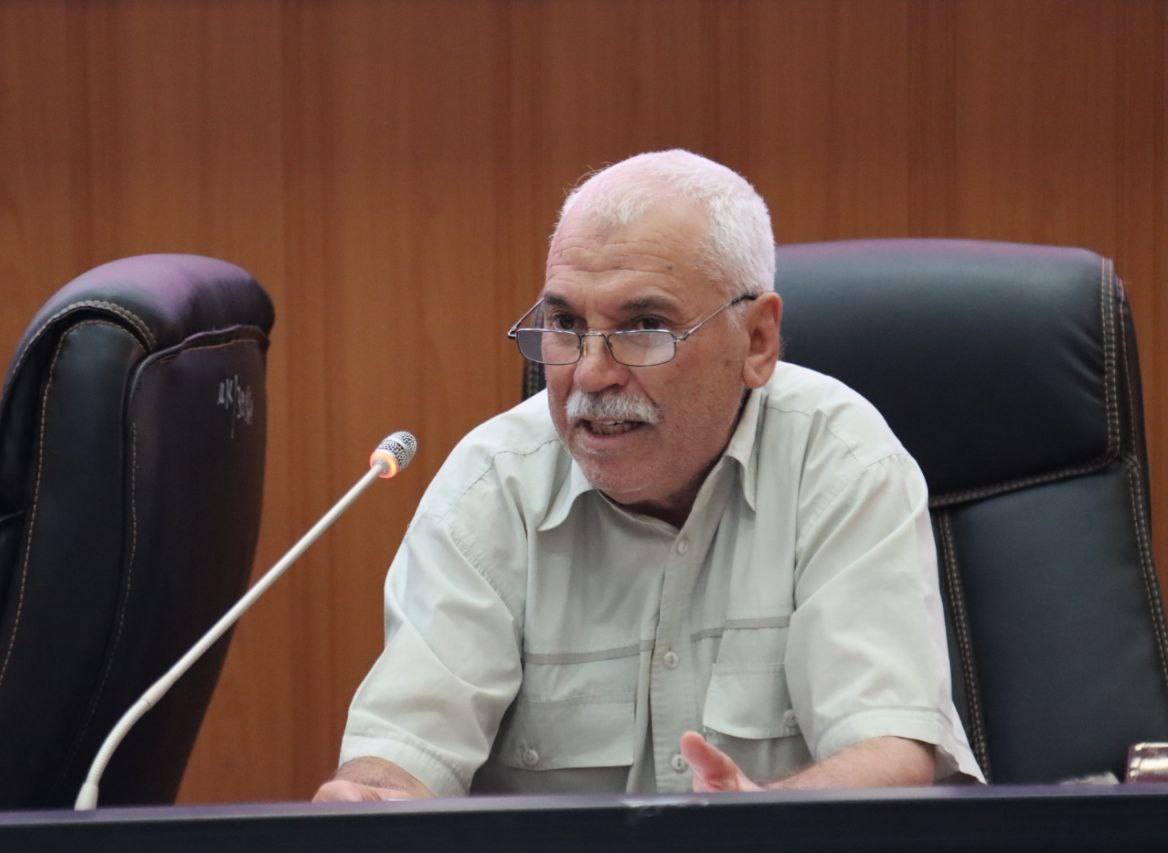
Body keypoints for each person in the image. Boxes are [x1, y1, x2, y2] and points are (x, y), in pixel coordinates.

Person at [315, 150, 983, 802]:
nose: (590, 373)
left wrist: (755, 821)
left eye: (643, 326)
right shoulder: (492, 486)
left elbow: (890, 751)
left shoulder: (839, 460)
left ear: (756, 340)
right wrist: (369, 801)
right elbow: (404, 754)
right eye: (565, 324)